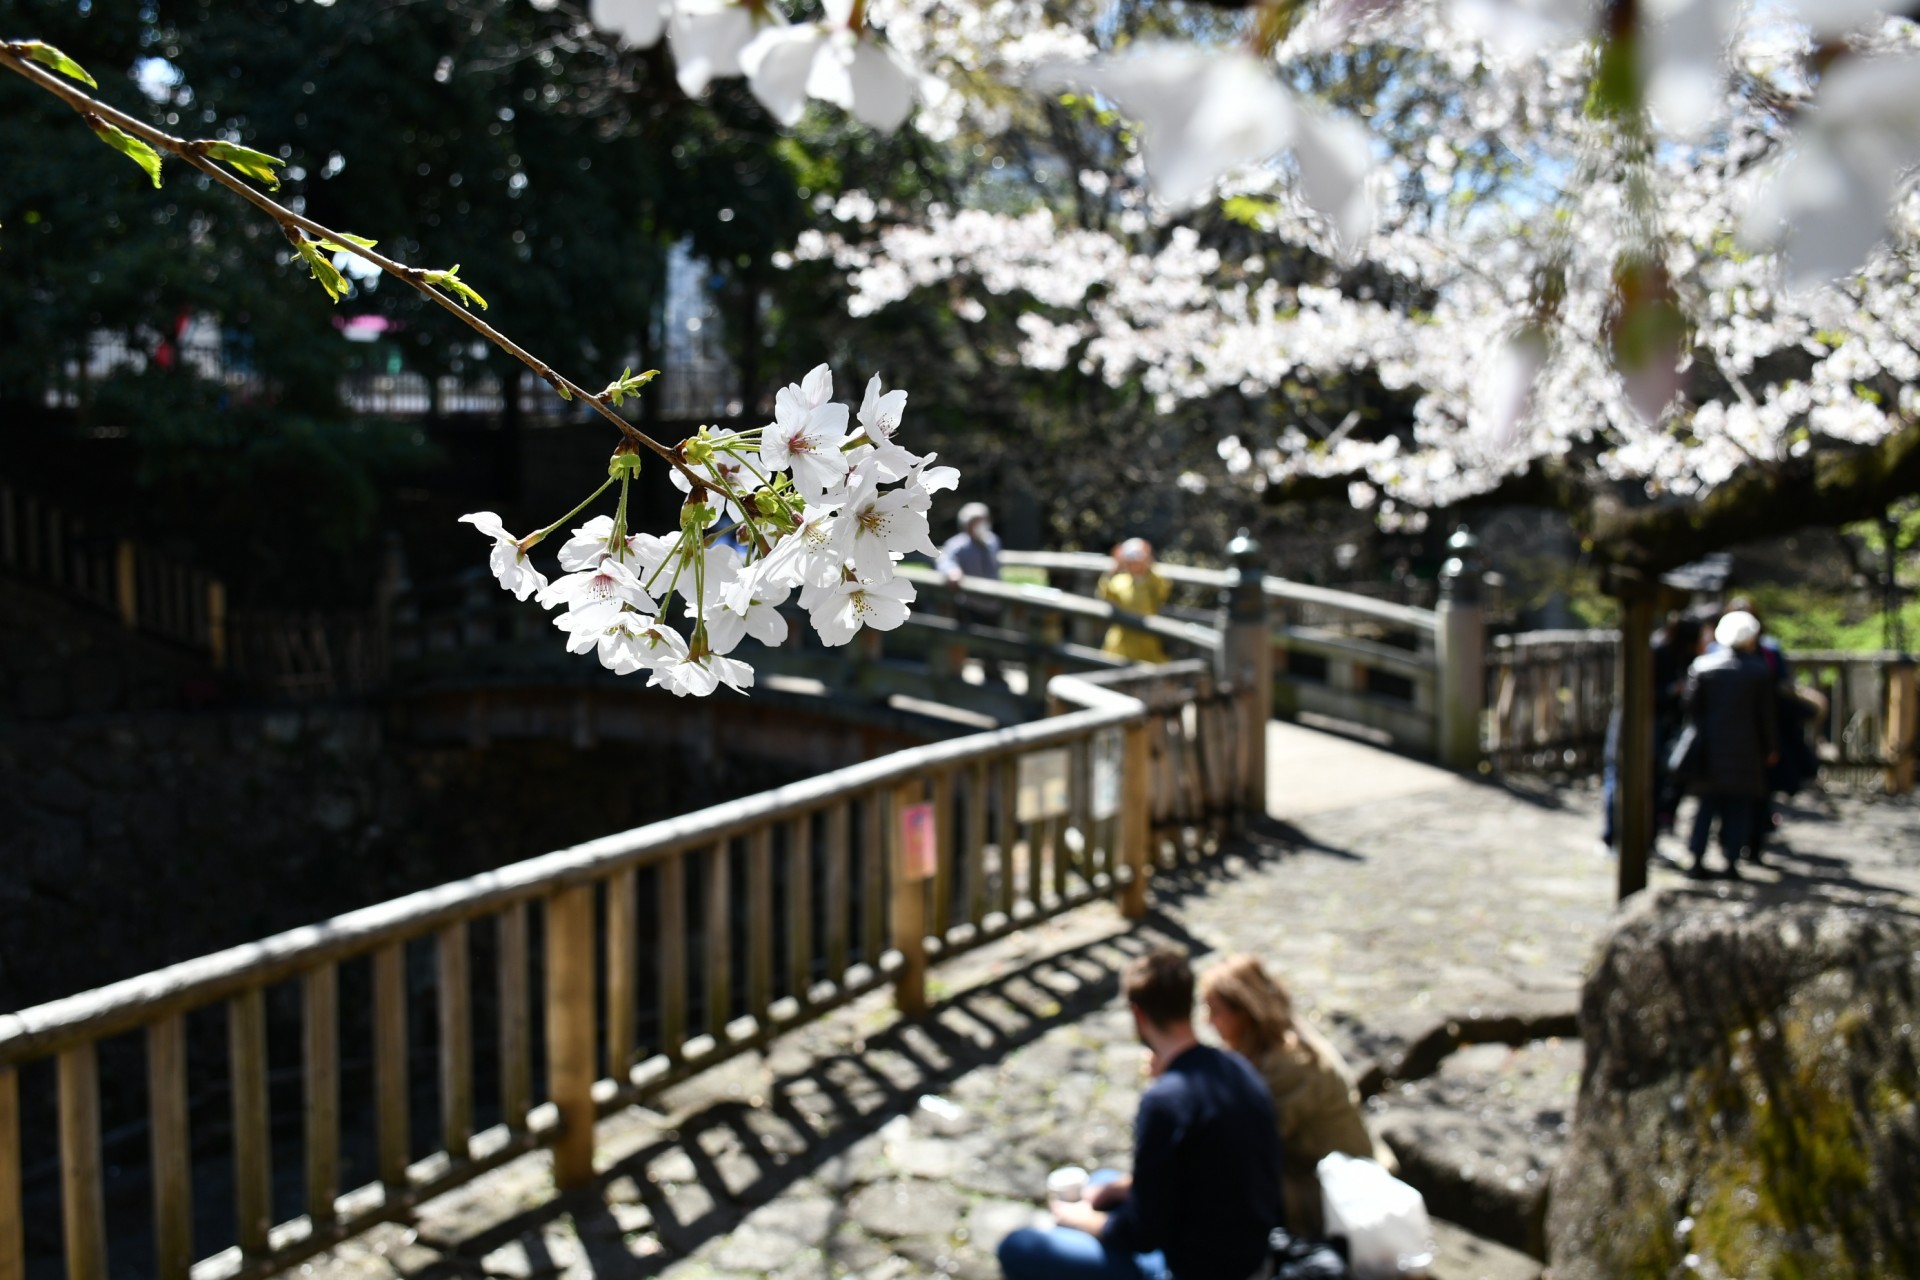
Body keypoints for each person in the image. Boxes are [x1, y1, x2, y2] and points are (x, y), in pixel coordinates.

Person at [998, 947, 1283, 1280]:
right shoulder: (1235, 1067)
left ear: (1138, 1013)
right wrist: (1121, 1191)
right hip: (1250, 1252)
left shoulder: (1164, 1102)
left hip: (1192, 1268)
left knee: (1018, 1247)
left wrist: (1077, 1219)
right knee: (1104, 1183)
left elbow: (1141, 1234)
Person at [1200, 956, 1377, 1240]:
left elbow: (1245, 1142)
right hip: (1304, 1166)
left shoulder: (1289, 1066)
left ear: (1243, 1012)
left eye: (1214, 1010)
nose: (1208, 1021)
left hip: (1328, 1187)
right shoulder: (1264, 1047)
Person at [1680, 610, 1778, 878]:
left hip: (1708, 749)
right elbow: (1765, 717)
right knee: (1738, 807)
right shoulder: (1758, 672)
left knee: (1706, 806)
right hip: (1746, 751)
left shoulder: (1702, 667)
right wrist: (1770, 748)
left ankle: (1696, 858)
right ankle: (1731, 861)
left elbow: (1689, 708)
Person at [1097, 538, 1173, 663]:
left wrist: (1149, 559)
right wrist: (1114, 567)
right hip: (1122, 641)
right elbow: (1104, 594)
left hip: (1147, 639)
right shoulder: (1119, 581)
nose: (1135, 564)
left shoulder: (1153, 581)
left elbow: (1164, 588)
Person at [937, 501, 1004, 629]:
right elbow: (945, 560)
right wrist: (952, 571)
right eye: (976, 521)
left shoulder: (993, 541)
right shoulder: (957, 544)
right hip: (971, 605)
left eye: (983, 520)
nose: (981, 525)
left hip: (994, 604)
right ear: (966, 525)